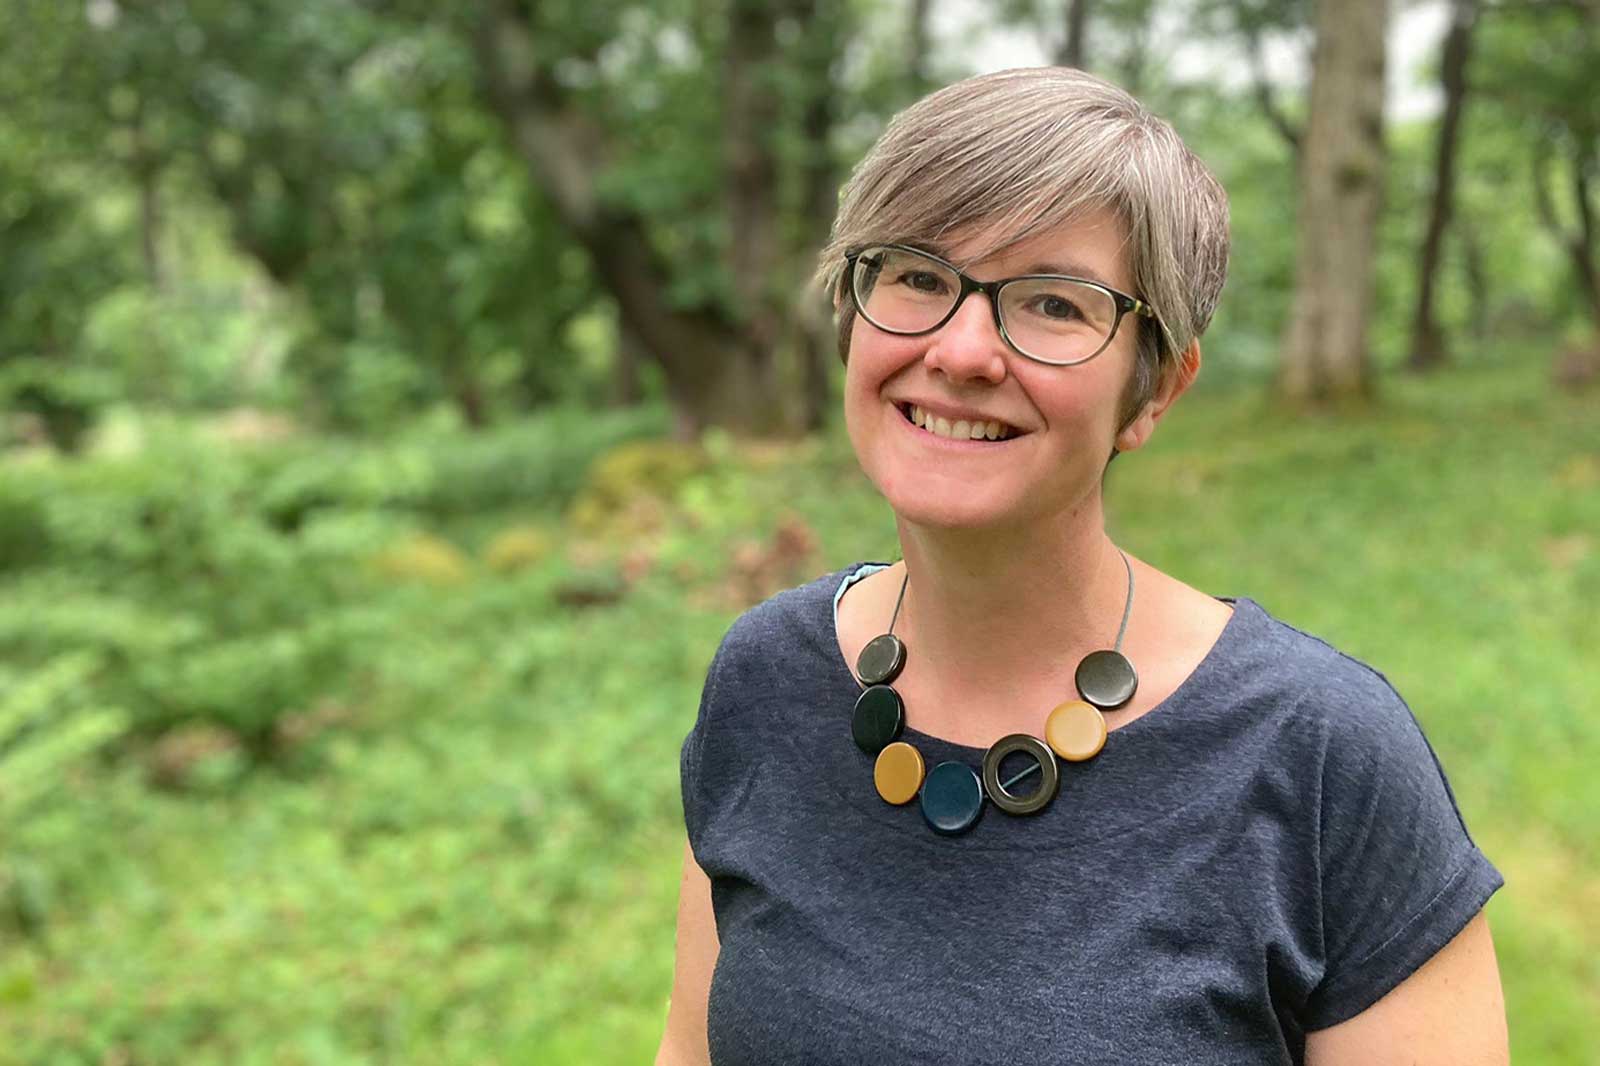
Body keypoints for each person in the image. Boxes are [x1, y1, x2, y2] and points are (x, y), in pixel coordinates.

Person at [656, 67, 1507, 1066]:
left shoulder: (1324, 760)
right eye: (918, 276)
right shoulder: (763, 679)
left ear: (1153, 391)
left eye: (1053, 302)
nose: (963, 348)